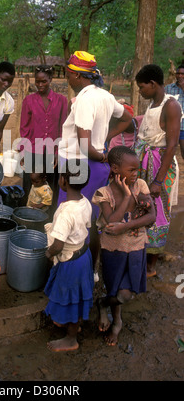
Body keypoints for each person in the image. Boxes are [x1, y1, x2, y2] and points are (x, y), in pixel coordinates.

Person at [58, 51, 132, 265]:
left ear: (78, 76)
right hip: (95, 167)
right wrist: (105, 139)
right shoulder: (105, 96)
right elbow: (126, 118)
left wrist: (101, 155)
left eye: (69, 74)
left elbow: (83, 145)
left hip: (79, 166)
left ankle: (69, 267)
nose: (68, 79)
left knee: (70, 219)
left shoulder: (85, 100)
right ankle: (91, 269)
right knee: (91, 220)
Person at [92, 146, 156, 346]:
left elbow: (151, 216)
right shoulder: (104, 193)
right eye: (131, 170)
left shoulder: (141, 186)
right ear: (115, 169)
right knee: (115, 289)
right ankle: (117, 321)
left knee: (127, 294)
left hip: (136, 248)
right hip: (113, 251)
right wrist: (127, 196)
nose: (136, 174)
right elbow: (111, 221)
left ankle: (102, 304)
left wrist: (127, 225)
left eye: (137, 170)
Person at [134, 64, 182, 277]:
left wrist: (158, 181)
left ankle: (151, 266)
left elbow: (171, 145)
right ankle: (142, 255)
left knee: (158, 214)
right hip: (146, 164)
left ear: (153, 84)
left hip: (159, 167)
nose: (140, 91)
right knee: (142, 209)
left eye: (142, 87)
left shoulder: (170, 106)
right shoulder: (153, 103)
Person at [43, 160, 94, 352]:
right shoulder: (85, 203)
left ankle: (71, 339)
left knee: (72, 297)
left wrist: (48, 254)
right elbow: (87, 228)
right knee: (77, 295)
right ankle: (72, 324)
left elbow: (58, 244)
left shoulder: (65, 212)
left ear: (62, 180)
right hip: (83, 255)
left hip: (71, 262)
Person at [19, 65, 68, 213]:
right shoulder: (28, 100)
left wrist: (56, 151)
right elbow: (24, 128)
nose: (40, 85)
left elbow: (62, 128)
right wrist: (23, 152)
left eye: (44, 81)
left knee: (51, 187)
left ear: (51, 80)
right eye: (37, 81)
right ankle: (27, 217)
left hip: (52, 152)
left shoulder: (61, 101)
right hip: (33, 150)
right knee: (30, 186)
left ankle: (49, 220)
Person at [165, 63, 184, 159]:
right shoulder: (168, 88)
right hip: (171, 126)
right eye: (178, 73)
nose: (180, 76)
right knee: (170, 150)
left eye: (182, 74)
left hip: (183, 126)